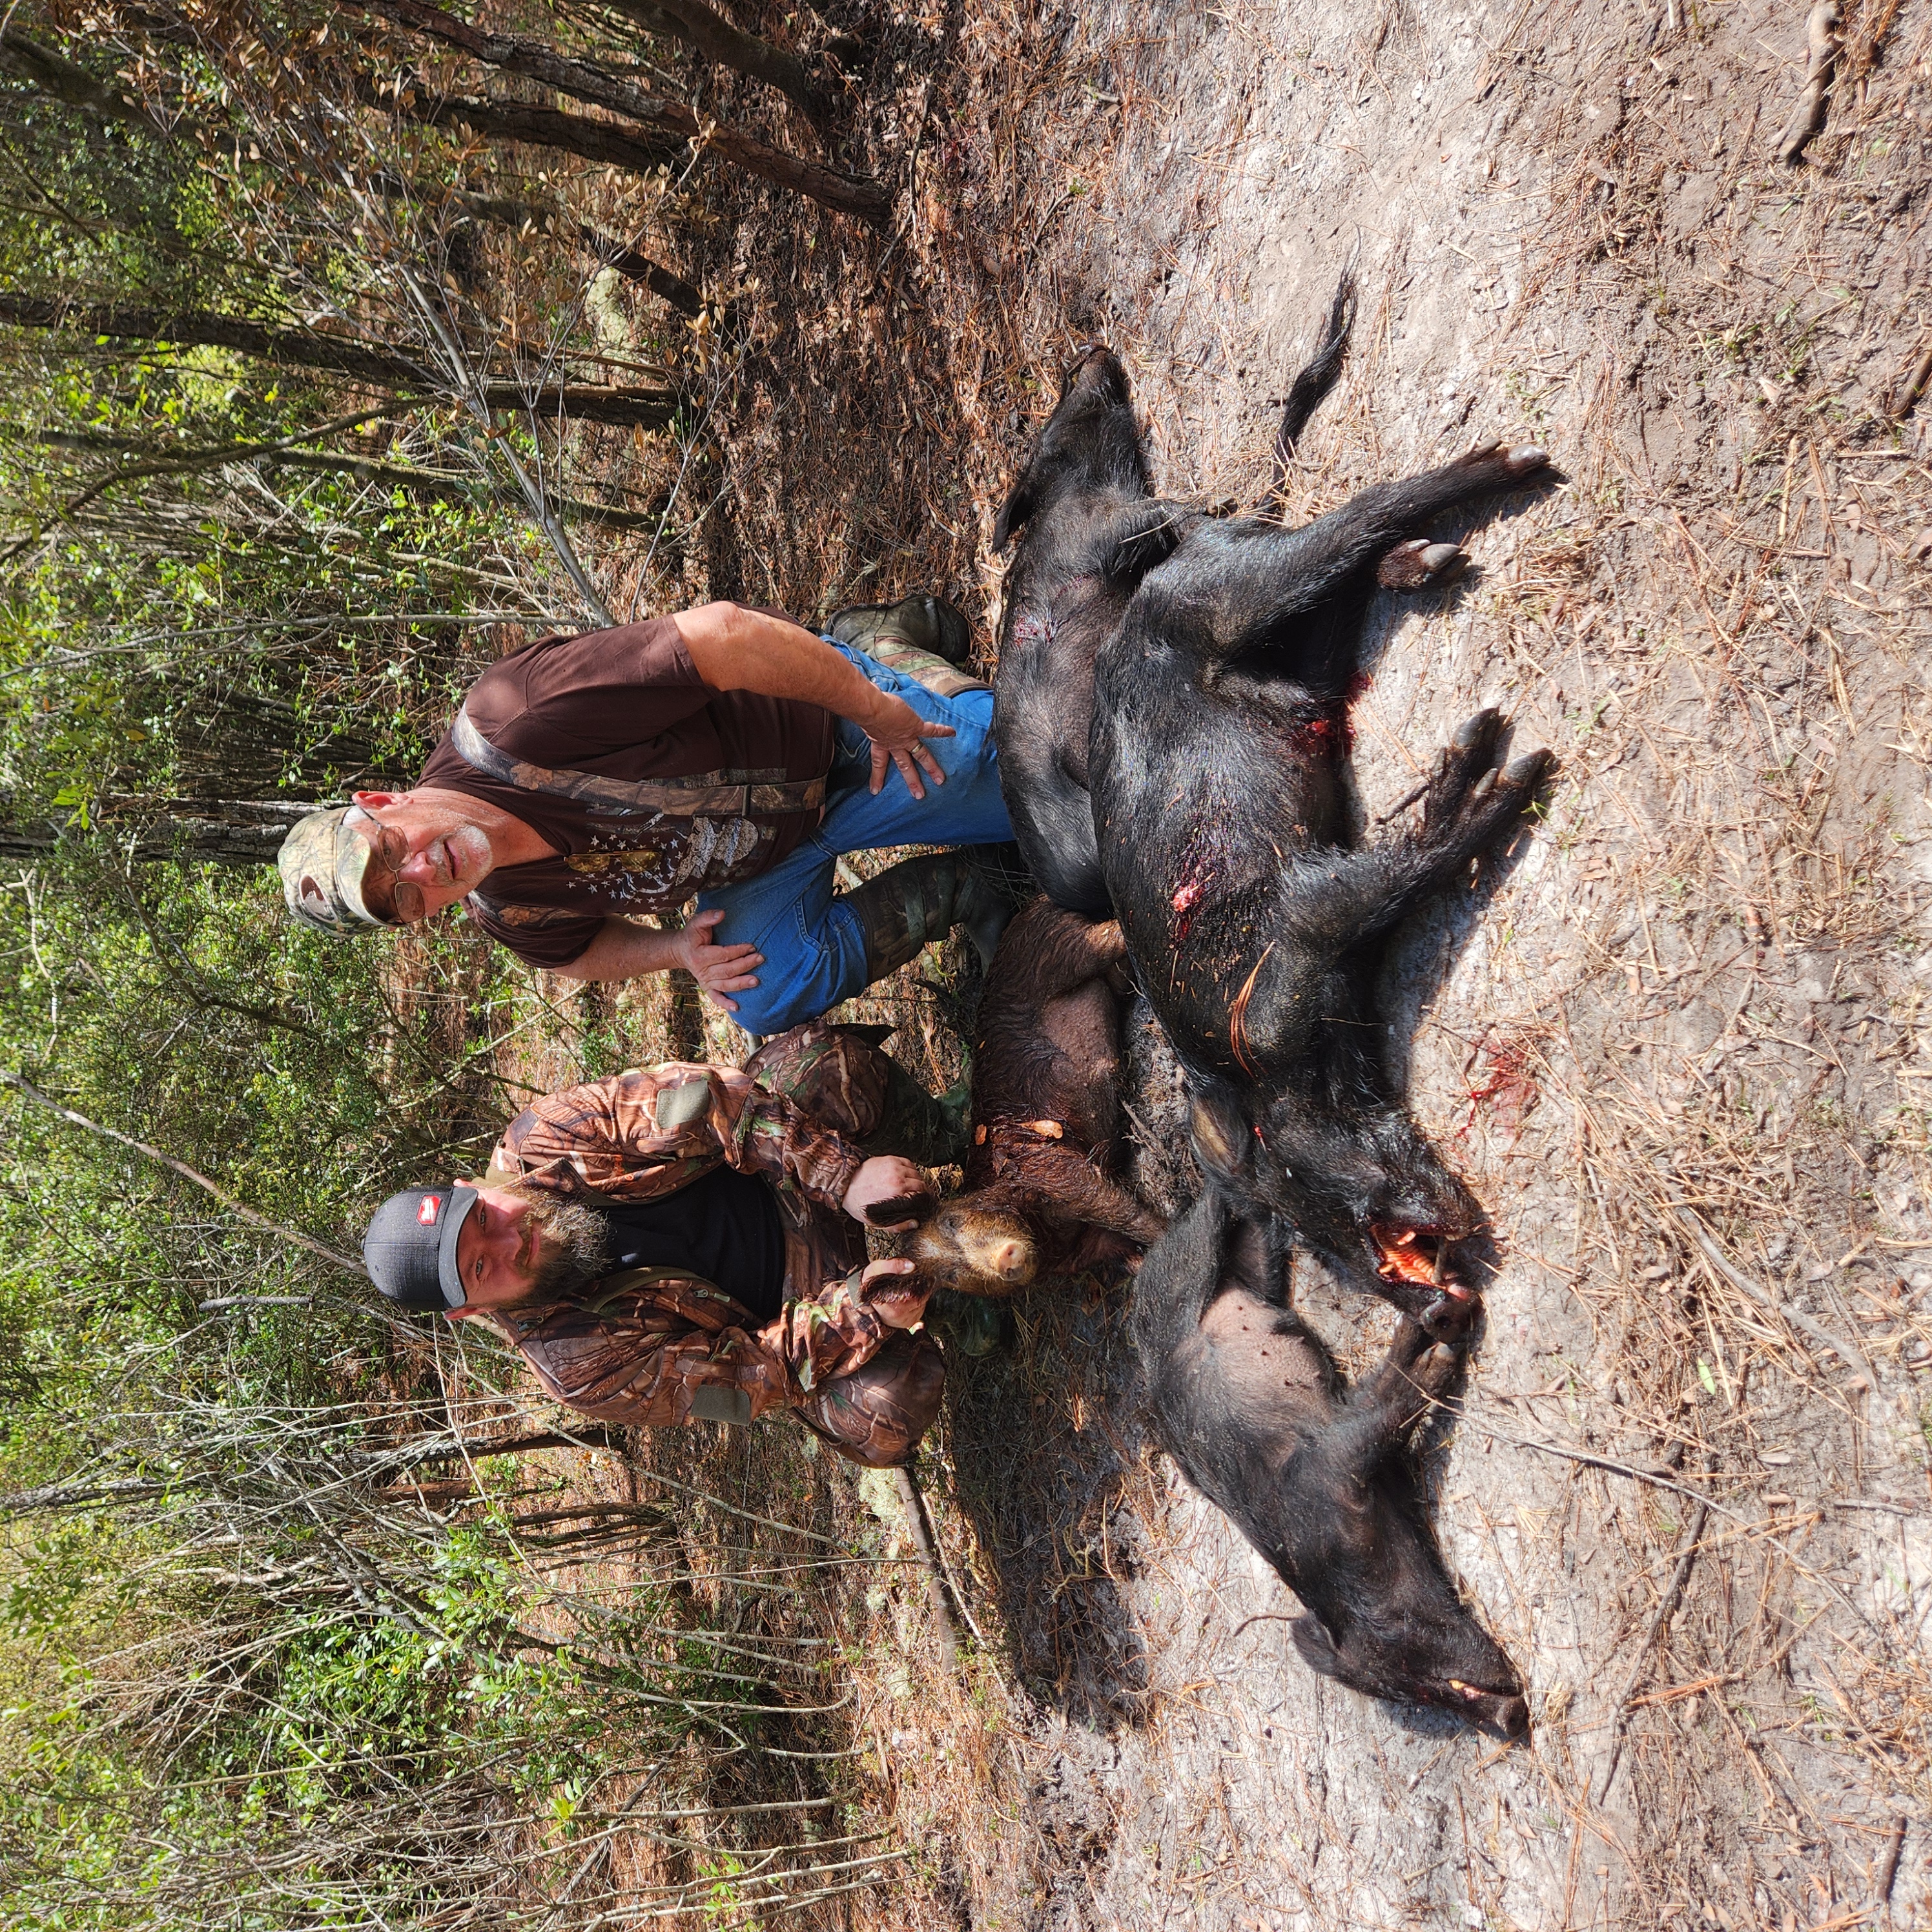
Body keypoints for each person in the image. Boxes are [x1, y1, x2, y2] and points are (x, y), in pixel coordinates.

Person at [278, 595, 1016, 1036]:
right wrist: (676, 952)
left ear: (381, 802)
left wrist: (874, 710)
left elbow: (727, 634)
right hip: (772, 850)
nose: (419, 871)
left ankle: (876, 650)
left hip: (827, 729)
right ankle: (968, 887)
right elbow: (575, 955)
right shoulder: (509, 909)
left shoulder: (516, 720)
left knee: (1011, 770)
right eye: (402, 898)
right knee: (762, 990)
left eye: (389, 851)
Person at [360, 1022, 960, 1466]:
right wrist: (857, 1313)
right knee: (884, 1408)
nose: (512, 1240)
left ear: (471, 1188)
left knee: (822, 1065)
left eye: (485, 1220)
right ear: (467, 1311)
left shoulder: (544, 1140)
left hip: (781, 1179)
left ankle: (950, 1135)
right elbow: (746, 1379)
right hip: (800, 1304)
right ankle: (956, 1301)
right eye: (482, 1267)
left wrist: (841, 1176)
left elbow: (706, 1101)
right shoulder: (576, 1368)